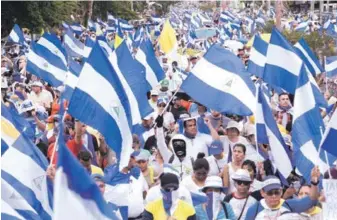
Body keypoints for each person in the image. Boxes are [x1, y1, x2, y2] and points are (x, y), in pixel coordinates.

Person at [245, 166, 321, 220]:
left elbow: (312, 200)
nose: (274, 196)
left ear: (281, 191)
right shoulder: (254, 209)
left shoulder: (289, 204)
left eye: (277, 192)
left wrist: (314, 182)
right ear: (262, 193)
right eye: (270, 193)